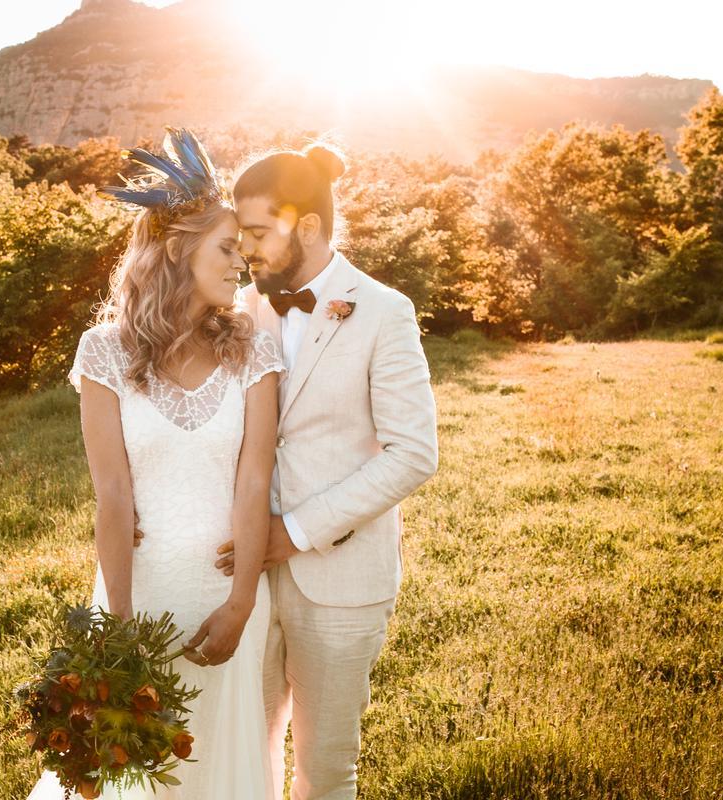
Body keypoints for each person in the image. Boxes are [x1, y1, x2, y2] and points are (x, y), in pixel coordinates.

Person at [28, 127, 282, 799]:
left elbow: (255, 480)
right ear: (178, 250)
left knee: (219, 768)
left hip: (226, 604)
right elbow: (112, 494)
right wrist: (120, 627)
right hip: (139, 596)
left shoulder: (253, 349)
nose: (241, 265)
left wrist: (241, 600)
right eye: (227, 249)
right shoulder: (104, 351)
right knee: (133, 777)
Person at [215, 142, 439, 799]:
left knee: (327, 769)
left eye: (256, 233)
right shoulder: (237, 310)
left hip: (342, 578)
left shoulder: (383, 311)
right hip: (242, 581)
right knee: (241, 757)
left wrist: (301, 530)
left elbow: (414, 452)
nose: (243, 249)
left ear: (305, 228)